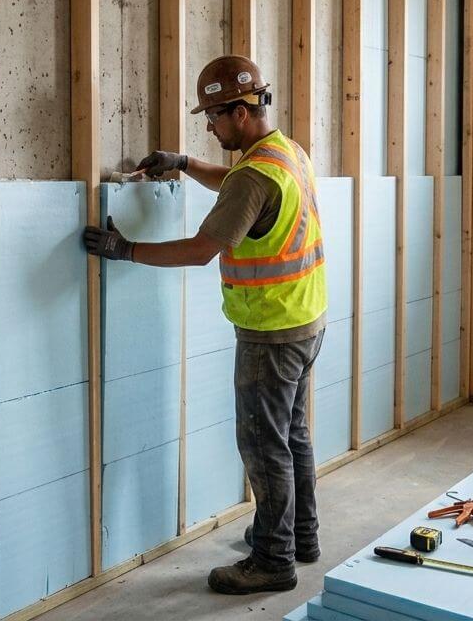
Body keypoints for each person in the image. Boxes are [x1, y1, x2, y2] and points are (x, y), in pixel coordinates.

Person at [82, 54, 327, 595]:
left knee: (265, 447)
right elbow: (238, 186)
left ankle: (272, 560)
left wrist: (126, 250)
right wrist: (186, 162)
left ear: (240, 112)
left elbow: (199, 250)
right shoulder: (285, 153)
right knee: (293, 437)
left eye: (213, 117)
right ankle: (299, 536)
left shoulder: (255, 174)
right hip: (306, 320)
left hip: (270, 333)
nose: (210, 127)